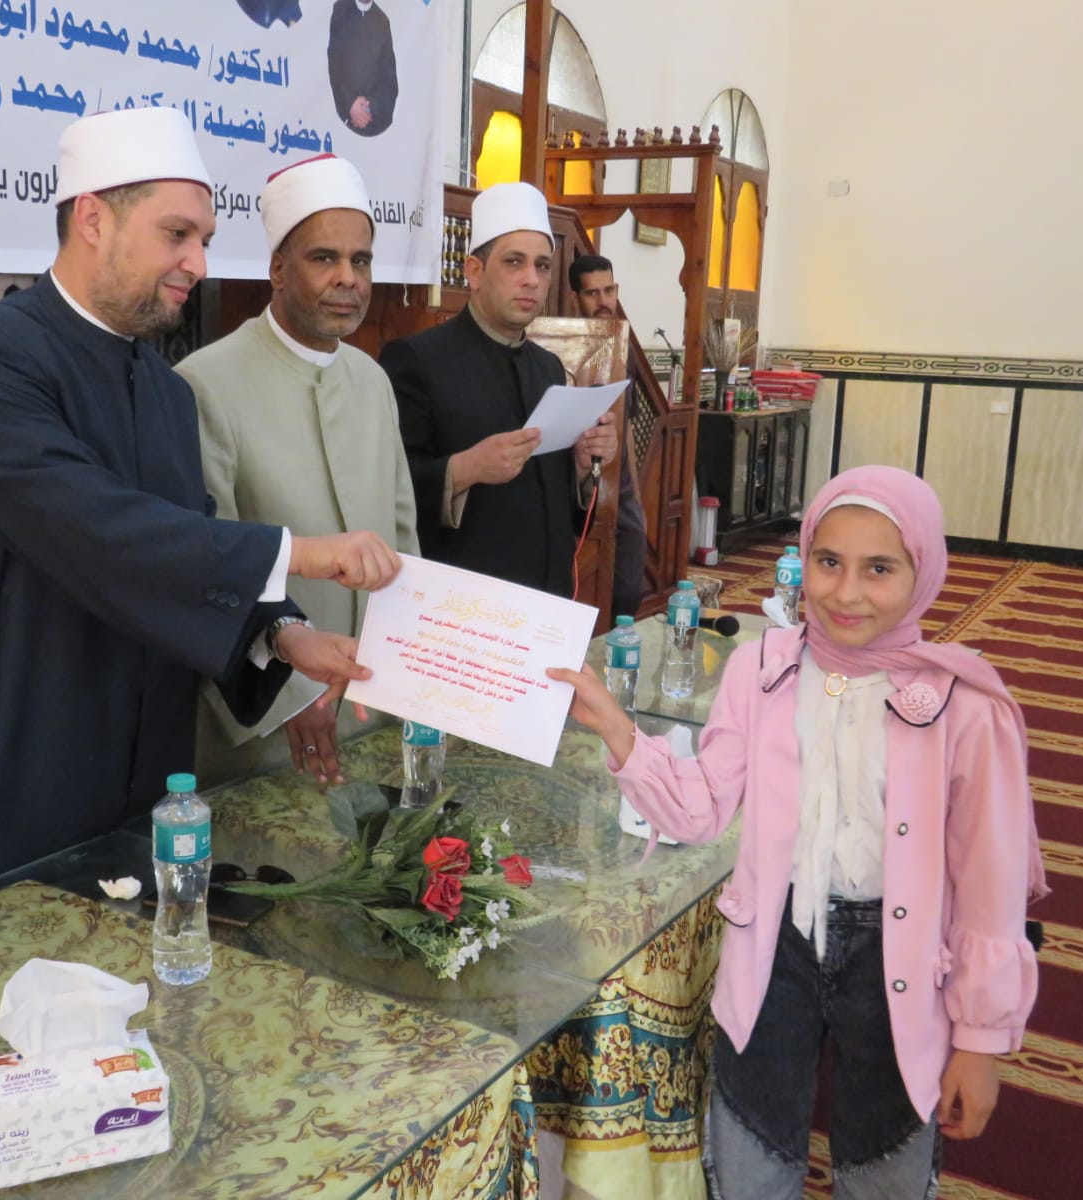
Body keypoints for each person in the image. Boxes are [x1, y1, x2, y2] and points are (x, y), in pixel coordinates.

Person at [0, 107, 400, 926]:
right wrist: (307, 554)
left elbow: (187, 538)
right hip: (3, 749)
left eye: (204, 239)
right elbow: (93, 526)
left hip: (137, 764)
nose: (198, 263)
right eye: (176, 234)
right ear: (93, 219)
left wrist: (286, 634)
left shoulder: (166, 393)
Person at [549, 465, 1047, 1198]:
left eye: (880, 569)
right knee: (752, 1146)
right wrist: (619, 731)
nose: (846, 593)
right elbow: (699, 809)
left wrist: (979, 1042)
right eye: (828, 561)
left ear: (924, 573)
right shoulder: (761, 670)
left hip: (899, 957)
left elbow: (989, 889)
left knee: (884, 1156)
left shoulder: (962, 703)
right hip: (772, 946)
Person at [179, 154, 419, 785]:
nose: (348, 279)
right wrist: (290, 694)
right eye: (324, 258)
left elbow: (403, 542)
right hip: (265, 723)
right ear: (278, 269)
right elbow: (205, 569)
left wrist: (416, 674)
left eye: (361, 261)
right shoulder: (204, 384)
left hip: (374, 707)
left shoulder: (371, 381)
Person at [380, 182, 618, 597]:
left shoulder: (548, 367)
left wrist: (581, 467)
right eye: (514, 262)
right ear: (475, 272)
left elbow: (552, 504)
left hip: (546, 600)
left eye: (542, 266)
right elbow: (385, 489)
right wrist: (465, 468)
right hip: (462, 606)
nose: (531, 280)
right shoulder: (417, 360)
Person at [568, 252, 647, 618]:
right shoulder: (557, 347)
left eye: (609, 291)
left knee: (628, 591)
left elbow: (626, 424)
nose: (604, 301)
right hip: (577, 488)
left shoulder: (624, 345)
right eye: (592, 293)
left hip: (620, 488)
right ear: (575, 298)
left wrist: (636, 495)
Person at [327, 0, 397, 137]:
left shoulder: (382, 21)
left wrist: (370, 107)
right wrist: (351, 102)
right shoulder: (340, 11)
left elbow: (389, 81)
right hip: (344, 117)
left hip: (375, 121)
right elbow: (335, 67)